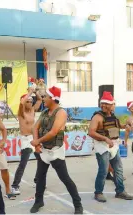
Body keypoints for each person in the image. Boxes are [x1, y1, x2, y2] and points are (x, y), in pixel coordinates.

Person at [30, 86, 83, 214]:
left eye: (45, 97)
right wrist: (37, 144)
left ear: (53, 99)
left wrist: (37, 141)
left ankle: (78, 204)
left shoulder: (61, 113)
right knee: (40, 177)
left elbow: (53, 132)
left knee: (65, 178)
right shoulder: (44, 112)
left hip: (55, 151)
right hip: (43, 150)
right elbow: (35, 127)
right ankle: (38, 201)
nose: (43, 99)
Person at [88, 91, 133, 203]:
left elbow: (117, 126)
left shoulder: (112, 116)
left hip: (114, 146)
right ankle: (98, 192)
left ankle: (120, 191)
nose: (103, 105)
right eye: (102, 103)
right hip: (102, 147)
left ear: (112, 105)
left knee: (118, 170)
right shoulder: (97, 117)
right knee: (103, 171)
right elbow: (91, 132)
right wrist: (105, 139)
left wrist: (126, 126)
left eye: (106, 103)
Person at [11, 88, 42, 195]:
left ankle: (38, 181)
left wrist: (35, 92)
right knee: (23, 164)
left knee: (41, 160)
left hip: (33, 139)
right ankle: (15, 186)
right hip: (25, 140)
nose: (30, 102)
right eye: (27, 101)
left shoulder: (32, 110)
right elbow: (22, 102)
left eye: (30, 101)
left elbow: (39, 100)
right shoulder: (21, 112)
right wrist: (29, 93)